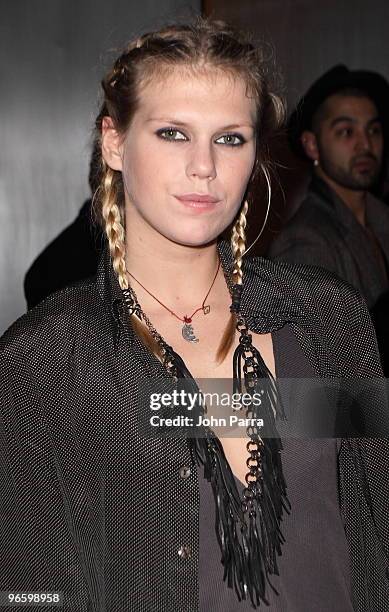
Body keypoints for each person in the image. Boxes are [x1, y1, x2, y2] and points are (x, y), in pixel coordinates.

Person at [1, 21, 388, 612]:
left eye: (230, 138)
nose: (204, 166)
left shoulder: (328, 318)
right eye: (173, 133)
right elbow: (27, 589)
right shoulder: (48, 356)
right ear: (113, 142)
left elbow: (372, 512)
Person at [268, 65, 389, 311]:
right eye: (347, 132)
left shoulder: (380, 217)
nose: (365, 144)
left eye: (373, 130)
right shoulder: (304, 242)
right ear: (312, 145)